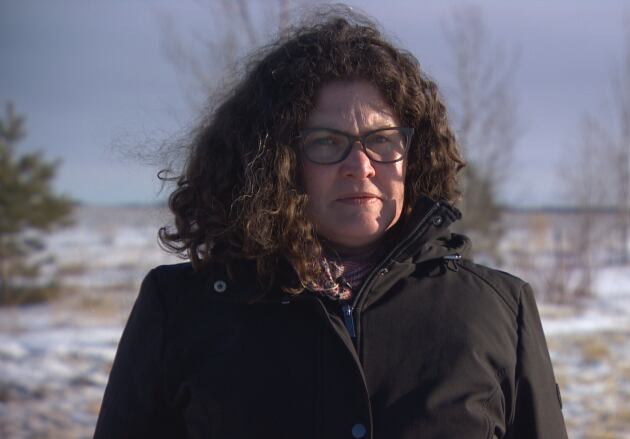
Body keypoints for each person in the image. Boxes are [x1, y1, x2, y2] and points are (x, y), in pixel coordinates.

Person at [94, 9, 567, 439]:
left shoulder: (496, 310)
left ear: (413, 155)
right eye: (326, 141)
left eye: (382, 140)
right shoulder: (183, 310)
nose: (360, 165)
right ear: (276, 165)